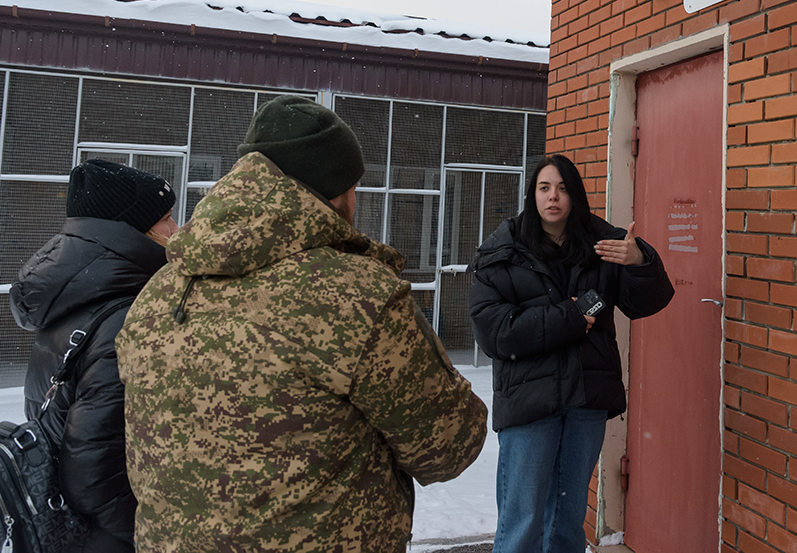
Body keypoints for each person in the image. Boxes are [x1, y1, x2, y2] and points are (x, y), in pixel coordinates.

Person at [115, 95, 487, 553]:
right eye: (354, 185)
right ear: (337, 192)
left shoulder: (163, 287)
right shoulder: (357, 295)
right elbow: (449, 445)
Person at [469, 153, 674, 553]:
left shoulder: (603, 244)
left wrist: (641, 262)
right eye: (544, 188)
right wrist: (571, 316)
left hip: (584, 400)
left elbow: (647, 301)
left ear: (575, 195)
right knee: (522, 521)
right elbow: (496, 333)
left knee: (566, 522)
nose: (553, 197)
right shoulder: (503, 250)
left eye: (562, 188)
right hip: (530, 404)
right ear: (532, 196)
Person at [10, 158, 178, 553]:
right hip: (106, 533)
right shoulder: (123, 315)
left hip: (68, 519)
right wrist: (142, 535)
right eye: (168, 218)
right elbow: (94, 470)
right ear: (131, 231)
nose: (177, 230)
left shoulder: (74, 292)